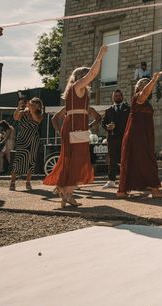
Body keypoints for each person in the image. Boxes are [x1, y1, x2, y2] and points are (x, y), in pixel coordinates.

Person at [44, 46, 108, 207]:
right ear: (81, 77)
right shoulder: (78, 86)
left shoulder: (76, 90)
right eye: (87, 76)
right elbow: (93, 73)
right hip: (75, 127)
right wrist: (100, 56)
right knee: (78, 160)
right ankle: (68, 193)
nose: (91, 78)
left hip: (72, 126)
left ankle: (63, 188)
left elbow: (92, 74)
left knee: (70, 159)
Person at [117, 73, 162, 198]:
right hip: (138, 134)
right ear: (138, 87)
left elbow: (147, 92)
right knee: (146, 159)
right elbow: (145, 93)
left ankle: (123, 191)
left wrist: (153, 81)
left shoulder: (144, 101)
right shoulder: (138, 97)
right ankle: (155, 190)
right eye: (144, 84)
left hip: (144, 133)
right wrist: (154, 80)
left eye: (148, 84)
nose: (148, 87)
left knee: (135, 159)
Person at [8, 98, 44, 191]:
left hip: (33, 139)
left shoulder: (39, 114)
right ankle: (12, 182)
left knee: (31, 161)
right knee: (18, 159)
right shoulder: (23, 112)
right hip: (22, 139)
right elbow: (15, 117)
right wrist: (19, 107)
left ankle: (28, 182)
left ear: (38, 106)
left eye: (35, 104)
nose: (32, 105)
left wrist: (31, 109)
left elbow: (37, 120)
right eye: (32, 103)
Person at [101, 89, 130, 189]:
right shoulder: (109, 110)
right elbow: (103, 123)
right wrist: (107, 127)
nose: (117, 97)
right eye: (115, 96)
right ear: (112, 98)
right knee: (112, 160)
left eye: (119, 95)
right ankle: (111, 181)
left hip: (124, 138)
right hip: (112, 138)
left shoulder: (128, 109)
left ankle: (126, 180)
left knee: (125, 159)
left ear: (122, 97)